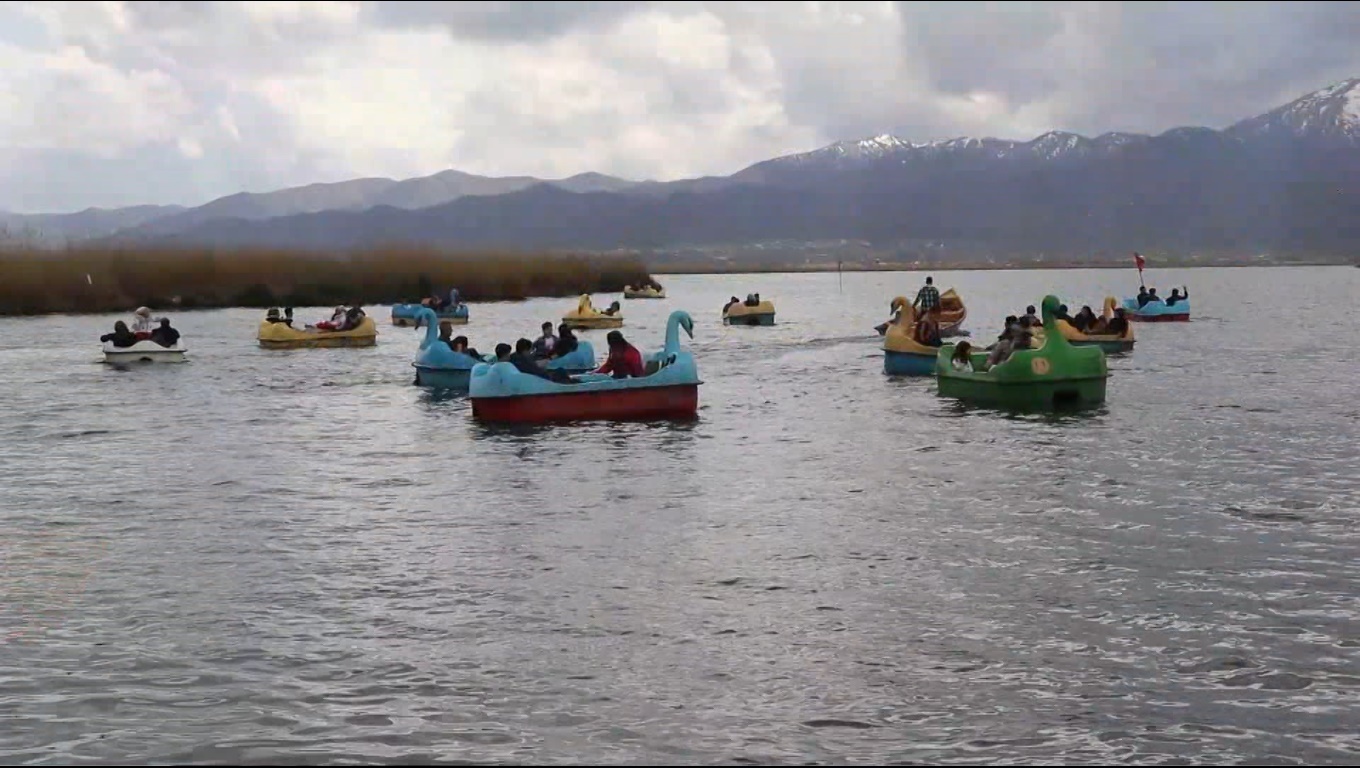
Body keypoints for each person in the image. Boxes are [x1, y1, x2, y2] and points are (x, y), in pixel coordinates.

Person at [510, 338, 574, 383]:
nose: (530, 353)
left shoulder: (513, 357)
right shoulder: (525, 360)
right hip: (537, 381)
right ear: (525, 350)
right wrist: (549, 375)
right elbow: (539, 372)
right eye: (530, 351)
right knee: (561, 371)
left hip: (528, 378)